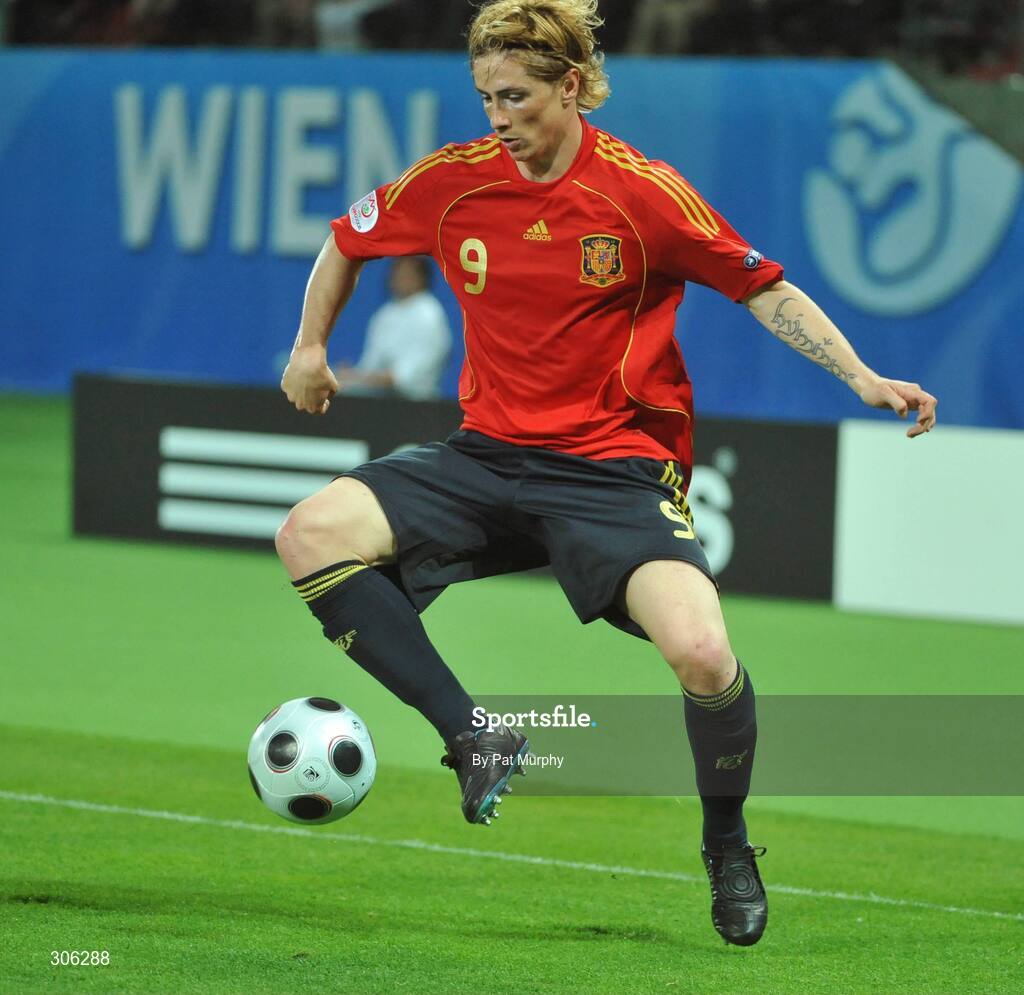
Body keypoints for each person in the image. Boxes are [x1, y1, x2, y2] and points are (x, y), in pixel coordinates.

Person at [277, 0, 937, 947]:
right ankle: (473, 733)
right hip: (485, 455)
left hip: (614, 470)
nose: (498, 117)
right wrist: (310, 346)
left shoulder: (642, 193)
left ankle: (726, 842)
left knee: (703, 654)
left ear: (573, 87)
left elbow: (762, 287)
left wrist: (861, 375)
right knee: (309, 533)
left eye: (516, 97)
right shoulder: (453, 182)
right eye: (486, 97)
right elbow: (347, 238)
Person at [333, 256, 452, 400]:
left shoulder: (429, 313)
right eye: (398, 273)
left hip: (418, 403)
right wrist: (350, 376)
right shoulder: (385, 314)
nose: (401, 278)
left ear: (422, 278)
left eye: (408, 273)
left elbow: (404, 378)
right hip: (379, 401)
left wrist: (357, 377)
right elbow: (371, 366)